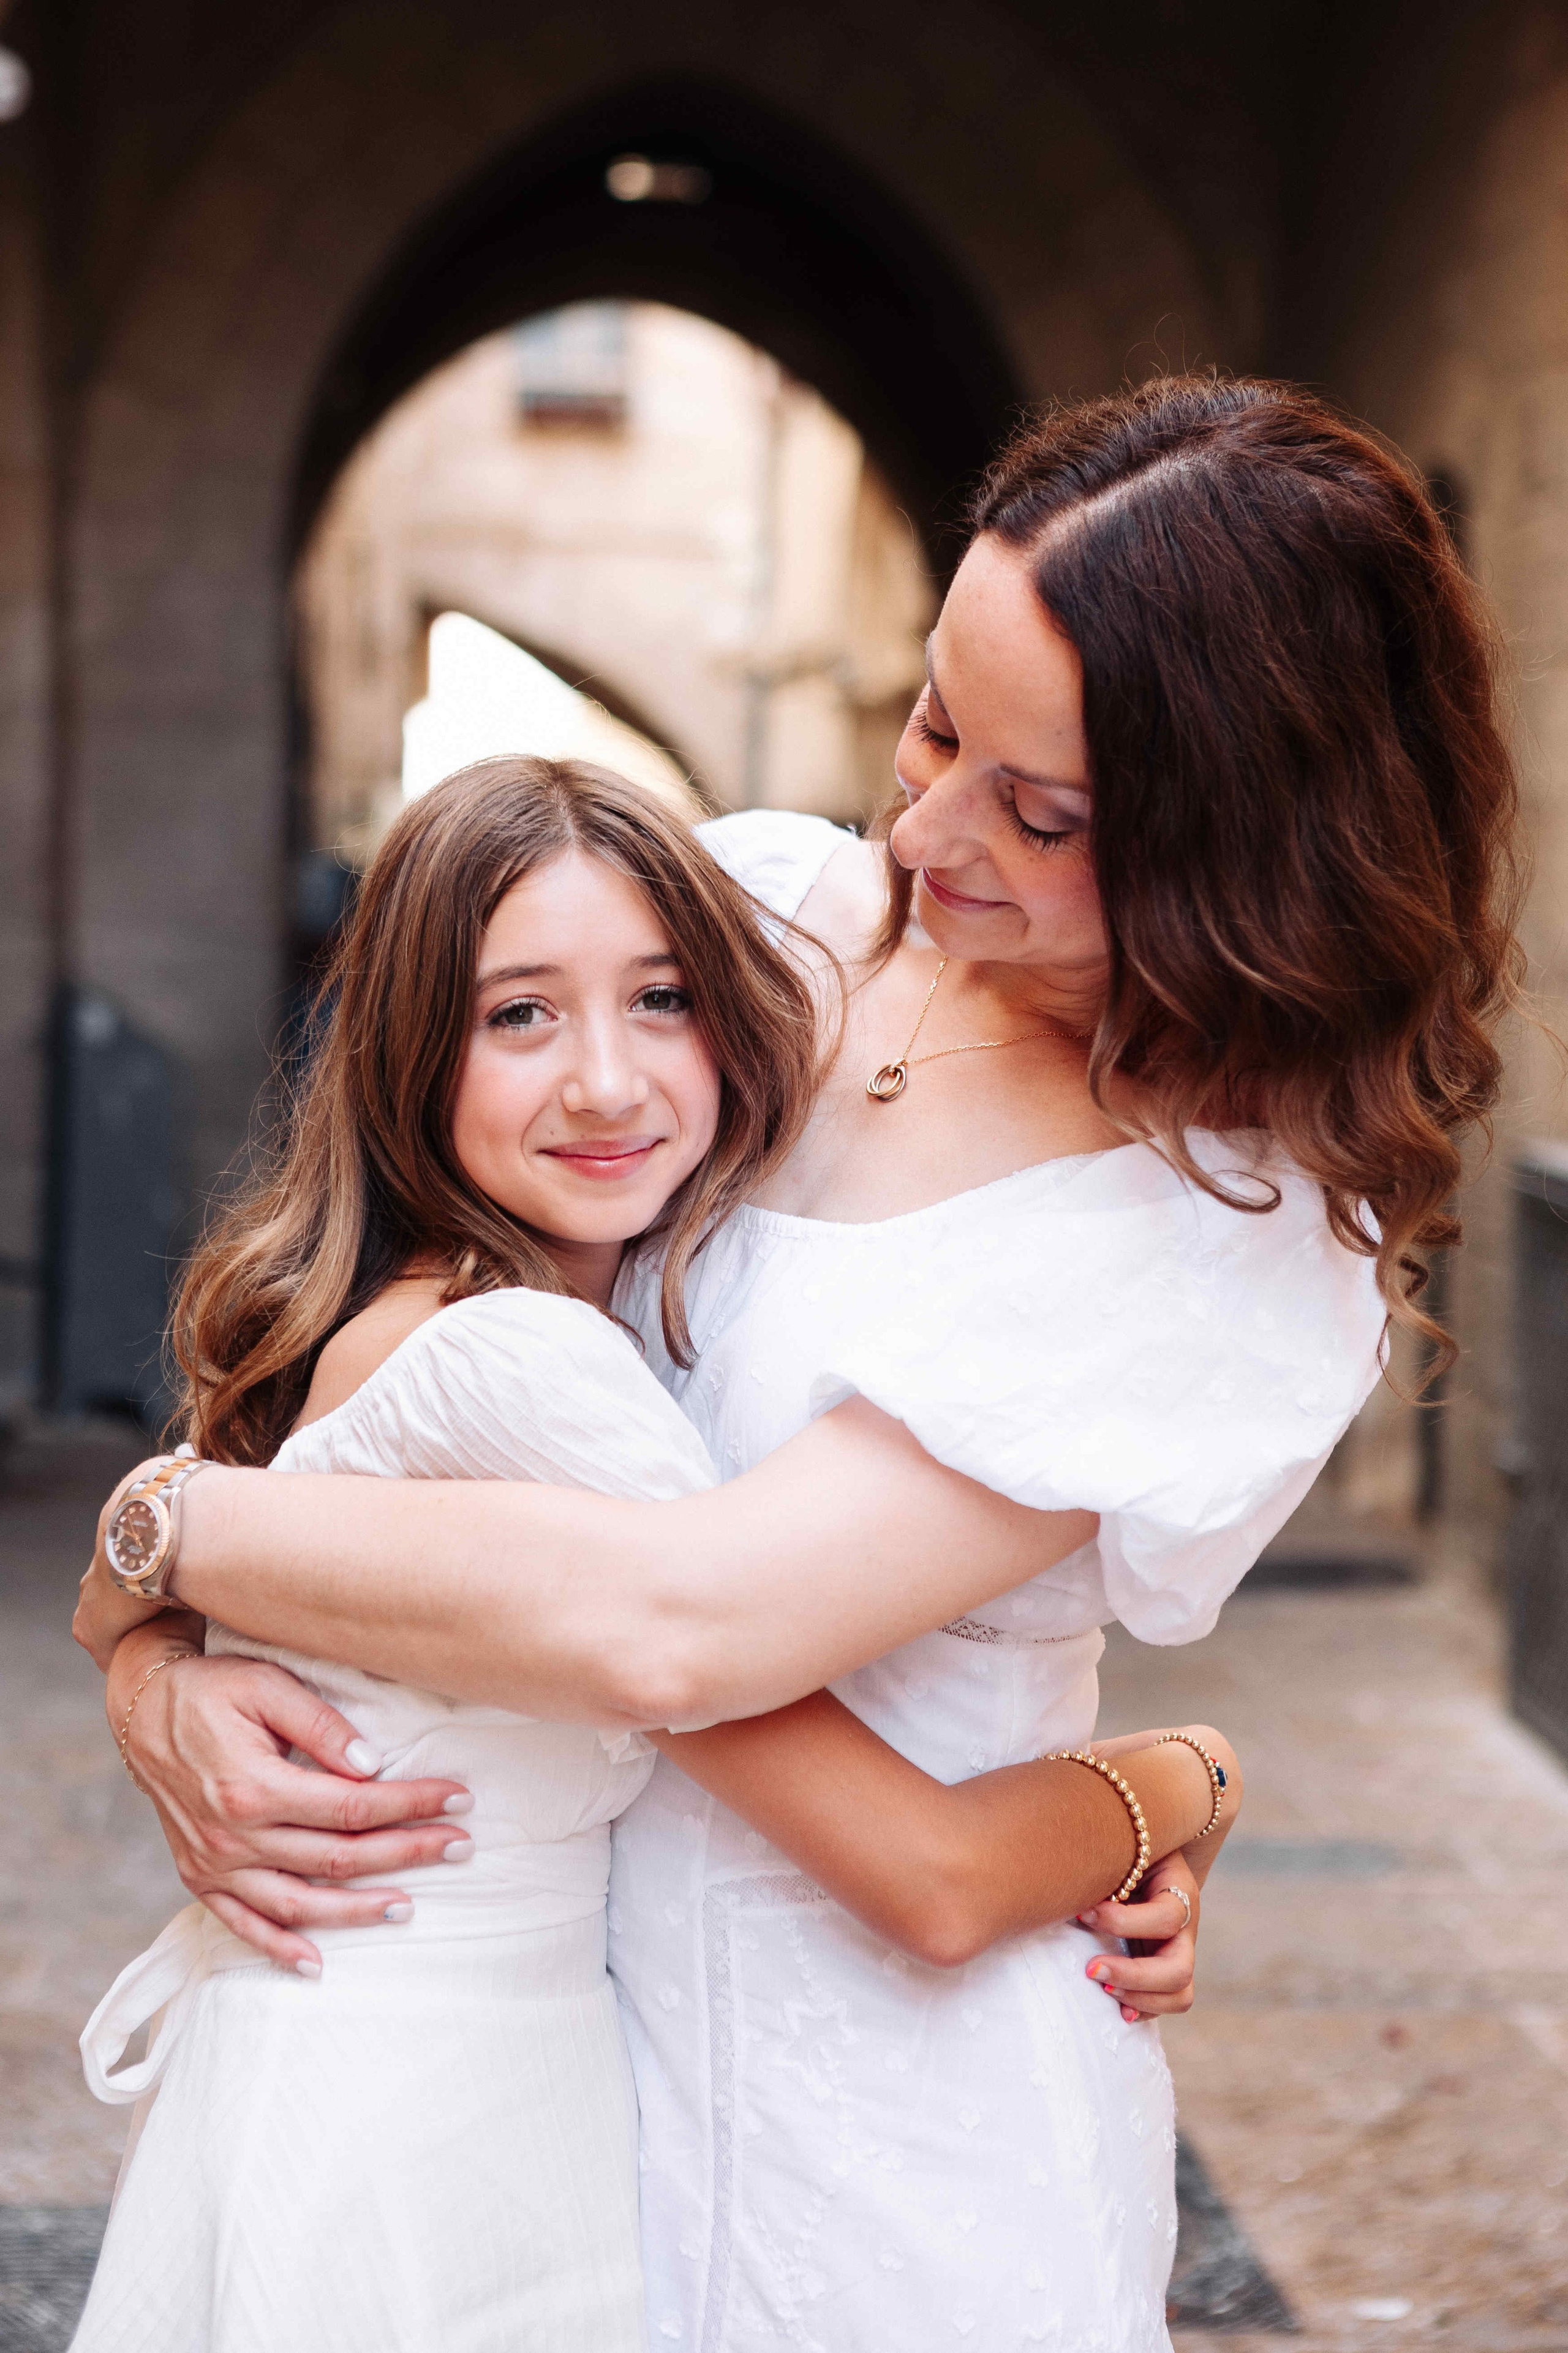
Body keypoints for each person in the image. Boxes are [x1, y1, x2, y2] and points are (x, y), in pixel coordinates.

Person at [78, 374, 1521, 2350]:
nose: (926, 825)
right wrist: (155, 1658)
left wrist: (163, 1535)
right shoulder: (745, 916)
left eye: (1046, 810)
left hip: (882, 2141)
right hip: (521, 2069)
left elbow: (681, 1630)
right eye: (935, 720)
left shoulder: (1220, 1233)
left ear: (1247, 854)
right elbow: (380, 1381)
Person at [71, 755, 1234, 2353]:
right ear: (413, 1054)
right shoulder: (533, 1375)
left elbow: (174, 1552)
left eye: (664, 997)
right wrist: (1187, 1775)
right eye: (520, 1015)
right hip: (429, 2123)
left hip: (373, 2078)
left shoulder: (435, 1310)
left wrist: (139, 1627)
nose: (607, 1081)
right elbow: (933, 1872)